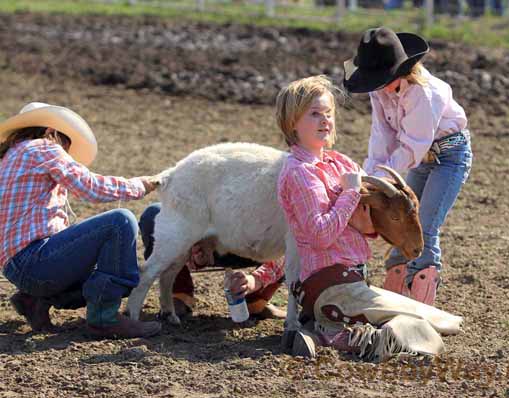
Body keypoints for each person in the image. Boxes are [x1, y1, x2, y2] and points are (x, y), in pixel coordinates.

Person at [275, 75, 463, 360]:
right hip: (330, 286)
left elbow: (364, 224)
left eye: (328, 113)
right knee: (426, 328)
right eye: (314, 114)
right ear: (292, 123)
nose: (325, 120)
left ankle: (331, 326)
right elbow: (321, 235)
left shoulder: (341, 163)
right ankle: (330, 334)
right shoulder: (300, 173)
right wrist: (350, 194)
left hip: (354, 284)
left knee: (446, 322)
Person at [0, 102, 161, 338]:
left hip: (18, 267)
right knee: (120, 221)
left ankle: (34, 299)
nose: (66, 153)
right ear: (50, 132)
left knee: (120, 267)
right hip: (35, 260)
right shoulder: (43, 147)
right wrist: (140, 185)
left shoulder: (10, 158)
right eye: (65, 144)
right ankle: (104, 319)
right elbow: (90, 188)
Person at [343, 27, 472, 306]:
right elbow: (382, 136)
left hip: (448, 156)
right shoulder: (381, 90)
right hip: (420, 156)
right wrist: (367, 178)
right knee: (402, 216)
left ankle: (423, 308)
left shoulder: (425, 94)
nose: (374, 88)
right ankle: (394, 298)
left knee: (424, 226)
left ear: (399, 73)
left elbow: (412, 147)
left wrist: (376, 179)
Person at [138, 203, 287, 320]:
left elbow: (291, 246)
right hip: (207, 237)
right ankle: (179, 293)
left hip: (254, 244)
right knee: (154, 215)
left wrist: (255, 280)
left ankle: (256, 300)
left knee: (292, 230)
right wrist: (197, 243)